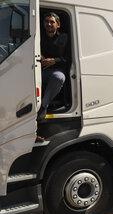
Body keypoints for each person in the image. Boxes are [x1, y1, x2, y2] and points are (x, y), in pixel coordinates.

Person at [37, 12, 70, 141]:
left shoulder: (65, 38)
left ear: (58, 24)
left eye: (52, 22)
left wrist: (54, 60)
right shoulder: (38, 36)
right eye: (46, 21)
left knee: (59, 78)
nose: (49, 24)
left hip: (56, 71)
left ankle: (43, 106)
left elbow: (69, 58)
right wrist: (38, 54)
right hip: (39, 71)